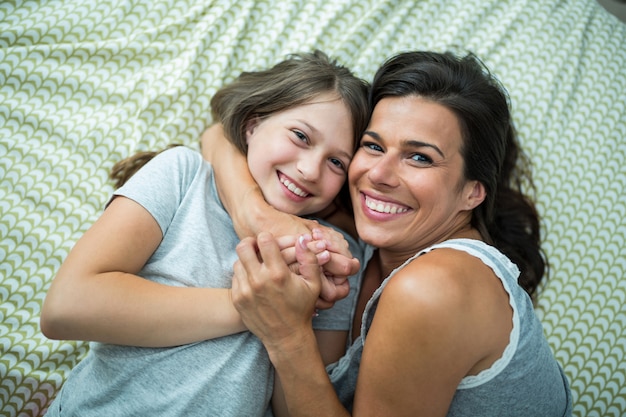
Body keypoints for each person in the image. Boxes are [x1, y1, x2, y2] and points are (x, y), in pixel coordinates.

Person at [201, 50, 573, 416]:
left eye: (419, 157)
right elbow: (219, 135)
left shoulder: (431, 288)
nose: (378, 175)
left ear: (472, 192)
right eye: (373, 146)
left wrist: (287, 338)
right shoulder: (372, 231)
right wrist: (260, 217)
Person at [39, 50, 369, 417]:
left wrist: (292, 328)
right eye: (300, 136)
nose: (309, 169)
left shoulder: (332, 258)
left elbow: (291, 410)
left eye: (336, 161)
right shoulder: (183, 176)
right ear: (252, 125)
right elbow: (65, 308)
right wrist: (258, 307)